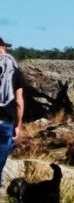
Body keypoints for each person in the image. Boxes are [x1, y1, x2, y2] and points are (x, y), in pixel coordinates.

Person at [0, 37, 27, 181]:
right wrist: (18, 124)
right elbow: (18, 102)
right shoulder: (13, 71)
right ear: (2, 47)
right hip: (4, 123)